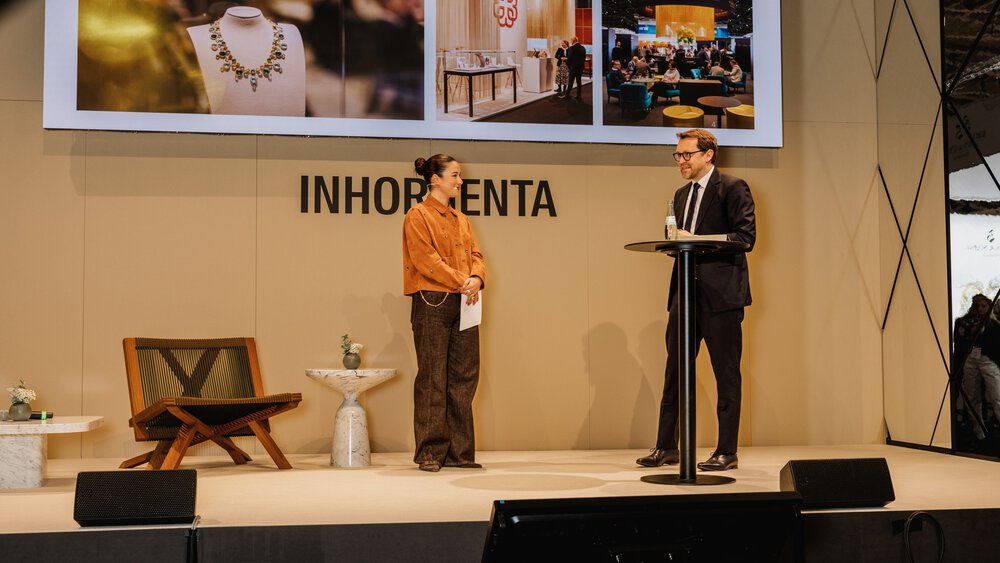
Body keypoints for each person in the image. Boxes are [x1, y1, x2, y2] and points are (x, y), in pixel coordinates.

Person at [636, 129, 756, 471]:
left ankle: (726, 451)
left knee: (726, 375)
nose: (681, 161)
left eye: (687, 154)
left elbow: (746, 238)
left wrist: (696, 238)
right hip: (685, 294)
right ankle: (666, 447)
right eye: (678, 155)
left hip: (722, 297)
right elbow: (684, 241)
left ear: (708, 155)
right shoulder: (680, 194)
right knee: (674, 371)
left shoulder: (733, 187)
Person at [403, 154, 487, 472]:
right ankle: (431, 453)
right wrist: (463, 282)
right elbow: (426, 260)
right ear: (435, 179)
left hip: (465, 301)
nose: (460, 182)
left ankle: (460, 453)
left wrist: (477, 278)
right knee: (433, 378)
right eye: (454, 175)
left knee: (464, 378)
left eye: (459, 175)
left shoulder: (461, 219)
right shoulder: (417, 215)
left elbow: (477, 254)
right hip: (433, 302)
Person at [956, 295, 1000, 443]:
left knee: (997, 395)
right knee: (972, 396)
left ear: (989, 307)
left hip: (988, 360)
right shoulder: (962, 322)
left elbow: (996, 347)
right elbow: (960, 344)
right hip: (970, 360)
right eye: (977, 306)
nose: (980, 309)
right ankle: (979, 433)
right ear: (972, 307)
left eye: (983, 306)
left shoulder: (994, 325)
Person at [565, 36, 586, 100]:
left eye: (571, 41)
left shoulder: (572, 48)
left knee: (571, 81)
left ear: (573, 41)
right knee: (579, 81)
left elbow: (569, 59)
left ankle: (567, 95)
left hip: (573, 67)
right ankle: (579, 95)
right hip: (580, 67)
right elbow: (584, 58)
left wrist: (569, 66)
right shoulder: (583, 48)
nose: (570, 42)